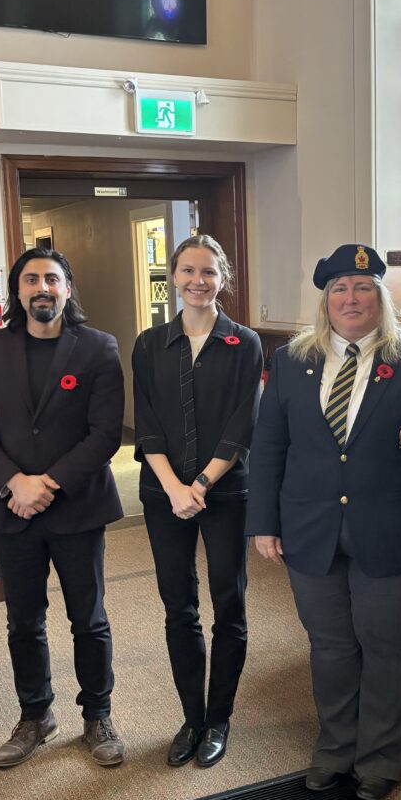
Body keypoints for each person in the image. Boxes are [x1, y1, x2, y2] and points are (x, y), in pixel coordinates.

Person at [247, 243, 401, 800]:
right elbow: (269, 446)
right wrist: (263, 521)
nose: (351, 297)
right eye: (340, 288)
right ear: (326, 299)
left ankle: (382, 756)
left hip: (394, 529)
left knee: (386, 645)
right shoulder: (292, 361)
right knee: (330, 645)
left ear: (380, 297)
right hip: (309, 527)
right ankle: (335, 747)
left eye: (363, 287)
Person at [0, 248, 126, 769]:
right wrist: (15, 483)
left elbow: (105, 433)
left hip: (78, 507)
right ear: (18, 291)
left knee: (89, 619)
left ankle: (97, 714)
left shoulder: (98, 347)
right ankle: (35, 716)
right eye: (31, 279)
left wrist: (48, 484)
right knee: (23, 622)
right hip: (12, 509)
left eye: (52, 279)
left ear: (67, 289)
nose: (42, 288)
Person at [132, 234, 263, 768]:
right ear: (173, 276)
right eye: (188, 270)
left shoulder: (245, 343)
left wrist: (202, 484)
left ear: (222, 278)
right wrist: (173, 488)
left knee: (229, 602)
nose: (197, 281)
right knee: (178, 604)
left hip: (225, 492)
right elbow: (146, 423)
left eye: (208, 271)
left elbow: (241, 424)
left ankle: (219, 718)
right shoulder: (148, 344)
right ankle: (192, 717)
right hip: (163, 493)